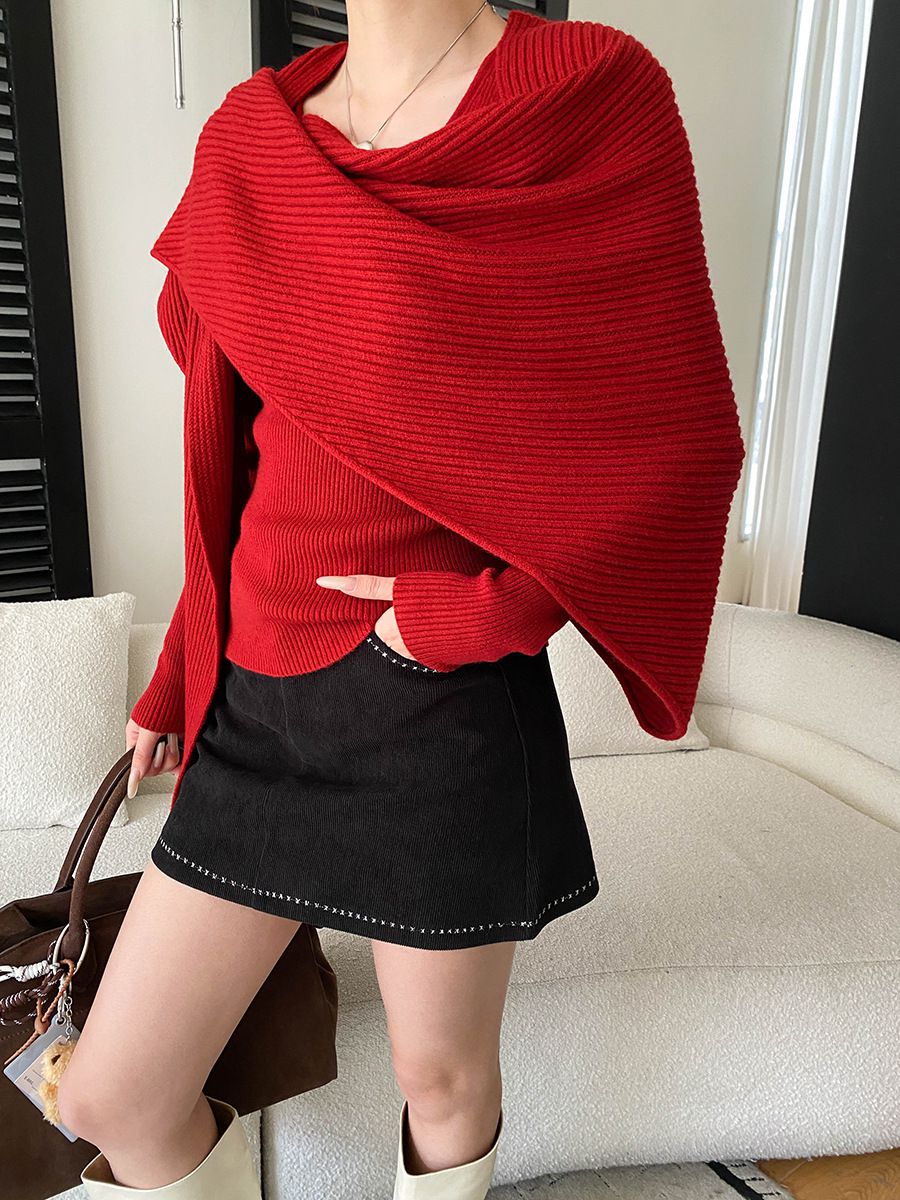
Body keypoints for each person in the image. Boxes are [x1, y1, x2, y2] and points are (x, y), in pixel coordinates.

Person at [57, 2, 745, 1197]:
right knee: (113, 1095)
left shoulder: (589, 91)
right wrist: (180, 667)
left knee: (443, 1078)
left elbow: (676, 445)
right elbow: (234, 454)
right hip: (255, 705)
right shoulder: (251, 138)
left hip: (435, 695)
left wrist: (474, 619)